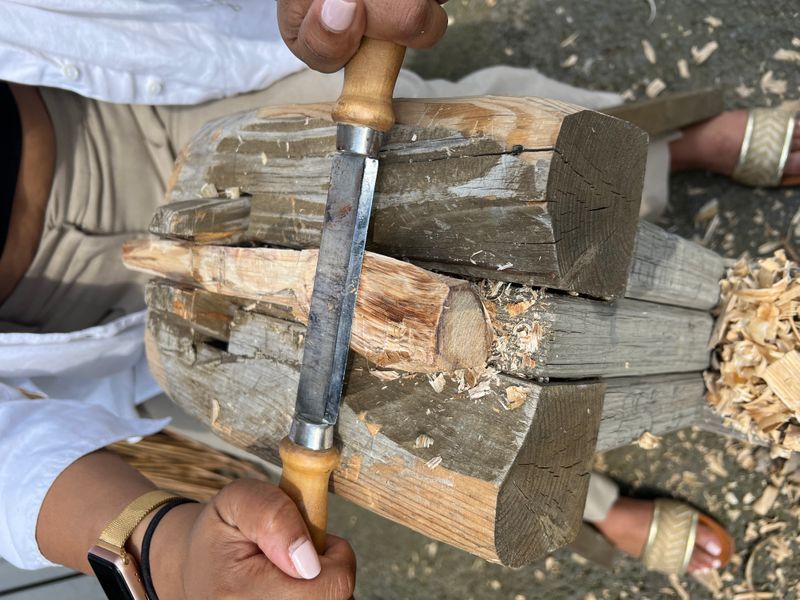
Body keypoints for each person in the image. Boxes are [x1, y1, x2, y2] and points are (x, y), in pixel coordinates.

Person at [0, 0, 797, 596]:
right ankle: (587, 497)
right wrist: (161, 550)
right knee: (429, 433)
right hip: (78, 322)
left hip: (114, 96)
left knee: (493, 155)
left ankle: (672, 148)